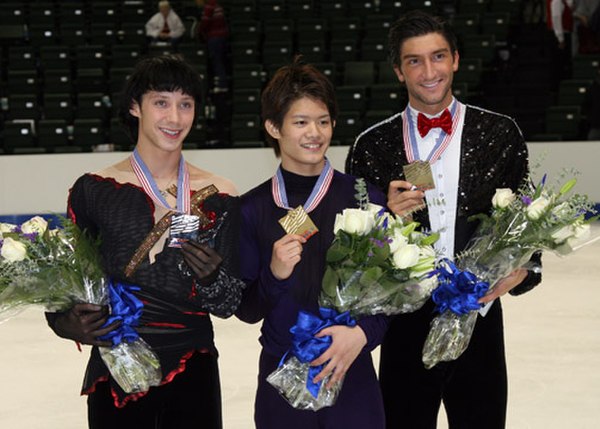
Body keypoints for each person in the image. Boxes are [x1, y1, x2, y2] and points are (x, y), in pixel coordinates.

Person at [345, 11, 542, 429]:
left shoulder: (499, 133)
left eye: (438, 57)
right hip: (402, 324)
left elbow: (526, 223)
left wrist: (523, 269)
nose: (429, 71)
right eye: (414, 61)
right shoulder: (372, 144)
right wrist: (384, 218)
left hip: (479, 317)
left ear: (455, 59)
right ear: (399, 71)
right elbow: (353, 246)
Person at [45, 55, 244, 429]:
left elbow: (229, 303)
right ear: (135, 106)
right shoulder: (94, 190)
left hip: (194, 368)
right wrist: (63, 321)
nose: (175, 117)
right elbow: (67, 285)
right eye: (161, 102)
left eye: (185, 104)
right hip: (119, 365)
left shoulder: (221, 193)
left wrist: (213, 278)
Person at [235, 57, 389, 428]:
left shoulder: (365, 198)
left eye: (323, 122)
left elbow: (391, 292)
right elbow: (245, 309)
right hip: (281, 381)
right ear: (274, 127)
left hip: (350, 370)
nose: (314, 133)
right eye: (300, 122)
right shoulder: (252, 209)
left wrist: (363, 334)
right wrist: (274, 274)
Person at [195, 0, 230, 92]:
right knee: (219, 61)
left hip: (215, 38)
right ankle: (221, 83)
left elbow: (205, 23)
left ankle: (222, 84)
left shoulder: (209, 7)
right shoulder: (217, 5)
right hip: (221, 37)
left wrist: (199, 32)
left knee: (217, 61)